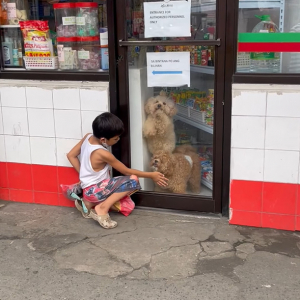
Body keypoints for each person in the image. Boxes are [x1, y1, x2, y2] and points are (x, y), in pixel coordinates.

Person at [67, 112, 168, 229]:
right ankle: (102, 208)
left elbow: (71, 155)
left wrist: (84, 176)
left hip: (88, 190)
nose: (118, 140)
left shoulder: (88, 137)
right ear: (103, 139)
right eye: (115, 138)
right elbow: (127, 172)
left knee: (128, 207)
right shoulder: (102, 153)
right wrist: (151, 175)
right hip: (96, 191)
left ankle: (88, 203)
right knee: (133, 180)